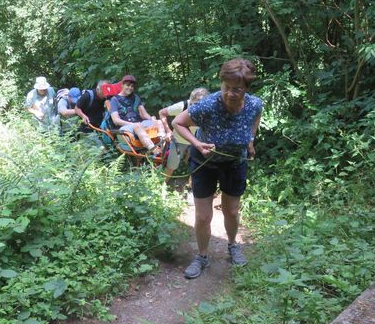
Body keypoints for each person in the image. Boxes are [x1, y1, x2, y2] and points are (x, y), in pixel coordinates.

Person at [173, 58, 263, 279]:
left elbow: (255, 121)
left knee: (231, 210)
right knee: (203, 216)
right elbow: (178, 123)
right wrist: (197, 144)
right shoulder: (208, 104)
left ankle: (233, 246)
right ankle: (202, 256)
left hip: (234, 162)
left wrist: (250, 141)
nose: (230, 93)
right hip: (204, 163)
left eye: (237, 89)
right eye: (226, 87)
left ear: (246, 89)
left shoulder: (254, 104)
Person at [159, 87, 210, 181]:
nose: (199, 108)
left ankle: (191, 186)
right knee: (172, 164)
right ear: (191, 101)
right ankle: (163, 185)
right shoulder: (182, 106)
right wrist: (168, 131)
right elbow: (162, 112)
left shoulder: (209, 108)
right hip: (179, 140)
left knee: (196, 164)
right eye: (196, 104)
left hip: (198, 141)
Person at [109, 75, 166, 155]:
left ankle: (164, 146)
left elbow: (144, 114)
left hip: (139, 125)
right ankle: (154, 150)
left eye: (132, 86)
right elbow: (116, 120)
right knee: (137, 126)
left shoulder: (135, 97)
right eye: (128, 85)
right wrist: (133, 124)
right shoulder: (114, 100)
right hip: (125, 127)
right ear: (122, 85)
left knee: (159, 122)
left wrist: (152, 119)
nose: (130, 88)